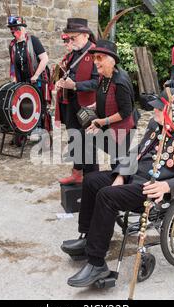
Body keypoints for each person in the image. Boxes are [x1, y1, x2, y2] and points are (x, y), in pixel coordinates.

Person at [61, 89, 174, 287]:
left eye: (159, 110)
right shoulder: (156, 124)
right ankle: (88, 238)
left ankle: (97, 264)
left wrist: (166, 185)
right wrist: (121, 175)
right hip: (133, 177)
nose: (154, 113)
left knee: (106, 196)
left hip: (153, 189)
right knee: (92, 180)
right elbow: (137, 152)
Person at [56, 18, 99, 185]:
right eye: (69, 37)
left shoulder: (96, 53)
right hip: (71, 103)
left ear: (85, 35)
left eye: (73, 37)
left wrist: (75, 85)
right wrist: (62, 81)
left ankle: (93, 180)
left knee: (88, 143)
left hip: (88, 105)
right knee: (74, 138)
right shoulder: (74, 52)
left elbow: (98, 82)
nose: (70, 41)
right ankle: (77, 173)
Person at [85, 39, 137, 170]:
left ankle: (122, 186)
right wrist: (96, 104)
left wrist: (102, 122)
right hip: (109, 125)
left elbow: (125, 112)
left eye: (99, 58)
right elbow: (106, 94)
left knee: (119, 163)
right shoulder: (105, 76)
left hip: (122, 128)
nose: (95, 61)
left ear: (111, 60)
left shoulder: (120, 82)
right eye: (94, 57)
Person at [7, 16, 50, 142]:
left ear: (24, 29)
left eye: (17, 30)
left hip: (36, 79)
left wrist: (36, 75)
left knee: (37, 105)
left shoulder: (33, 41)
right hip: (22, 81)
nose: (15, 33)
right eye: (12, 32)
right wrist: (13, 77)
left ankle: (39, 130)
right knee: (22, 106)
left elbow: (44, 59)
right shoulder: (12, 45)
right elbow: (13, 64)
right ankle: (23, 132)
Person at [53, 33, 74, 128]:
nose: (65, 44)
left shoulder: (80, 57)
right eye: (64, 42)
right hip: (65, 98)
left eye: (67, 41)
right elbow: (59, 77)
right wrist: (57, 82)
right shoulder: (66, 58)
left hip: (75, 99)